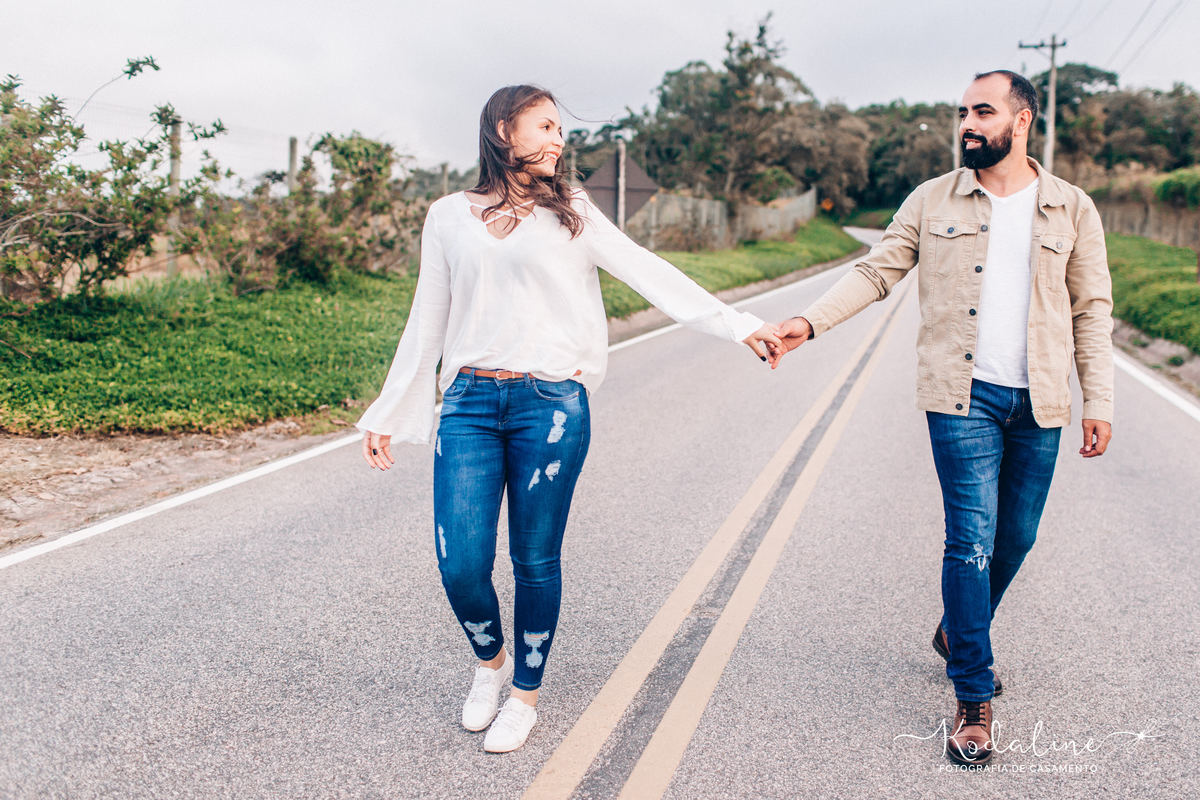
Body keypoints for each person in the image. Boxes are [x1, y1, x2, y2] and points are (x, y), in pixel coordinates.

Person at [357, 85, 783, 753]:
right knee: (459, 564)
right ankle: (490, 665)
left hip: (550, 407)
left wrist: (742, 326)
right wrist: (391, 409)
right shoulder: (446, 217)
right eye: (545, 125)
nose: (557, 139)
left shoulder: (574, 214)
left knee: (533, 558)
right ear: (504, 128)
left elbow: (652, 275)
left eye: (560, 129)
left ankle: (524, 693)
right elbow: (427, 318)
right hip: (468, 401)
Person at [771, 70, 1113, 766]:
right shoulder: (933, 199)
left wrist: (1098, 399)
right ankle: (973, 696)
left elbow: (1091, 310)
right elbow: (877, 272)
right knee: (972, 540)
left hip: (1040, 399)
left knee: (1017, 536)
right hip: (962, 398)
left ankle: (957, 629)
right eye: (962, 112)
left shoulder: (1071, 208)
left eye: (982, 112)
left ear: (1021, 122)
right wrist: (809, 322)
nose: (967, 123)